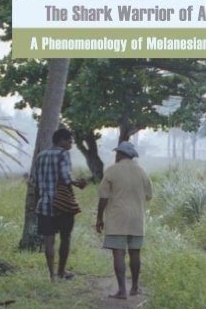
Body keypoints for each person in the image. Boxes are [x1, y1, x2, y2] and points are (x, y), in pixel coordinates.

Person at [96, 141, 152, 299]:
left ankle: (122, 290)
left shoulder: (112, 171)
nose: (116, 156)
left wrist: (99, 217)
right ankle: (135, 287)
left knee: (118, 254)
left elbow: (103, 196)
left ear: (120, 154)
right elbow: (149, 195)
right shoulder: (142, 172)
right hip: (137, 218)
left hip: (117, 217)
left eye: (117, 154)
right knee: (135, 253)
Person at [34, 128, 86, 281]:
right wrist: (79, 183)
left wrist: (37, 201)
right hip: (62, 205)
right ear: (62, 140)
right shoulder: (64, 154)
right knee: (65, 238)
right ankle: (62, 272)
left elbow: (36, 183)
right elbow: (65, 177)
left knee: (49, 240)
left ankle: (52, 275)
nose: (71, 144)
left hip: (44, 204)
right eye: (70, 140)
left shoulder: (41, 156)